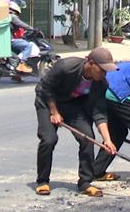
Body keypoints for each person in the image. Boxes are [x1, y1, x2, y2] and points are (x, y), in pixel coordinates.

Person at [34, 47, 118, 197]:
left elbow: (99, 112)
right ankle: (43, 181)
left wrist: (107, 140)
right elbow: (45, 88)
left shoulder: (101, 84)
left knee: (87, 138)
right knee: (49, 139)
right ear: (91, 63)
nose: (104, 74)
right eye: (102, 70)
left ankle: (85, 182)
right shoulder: (66, 66)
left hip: (71, 104)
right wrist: (54, 112)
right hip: (47, 101)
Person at [9, 0, 39, 74]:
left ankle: (16, 74)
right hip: (10, 40)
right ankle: (21, 64)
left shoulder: (9, 15)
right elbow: (21, 24)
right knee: (28, 46)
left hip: (9, 39)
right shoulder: (12, 16)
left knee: (21, 47)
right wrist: (32, 28)